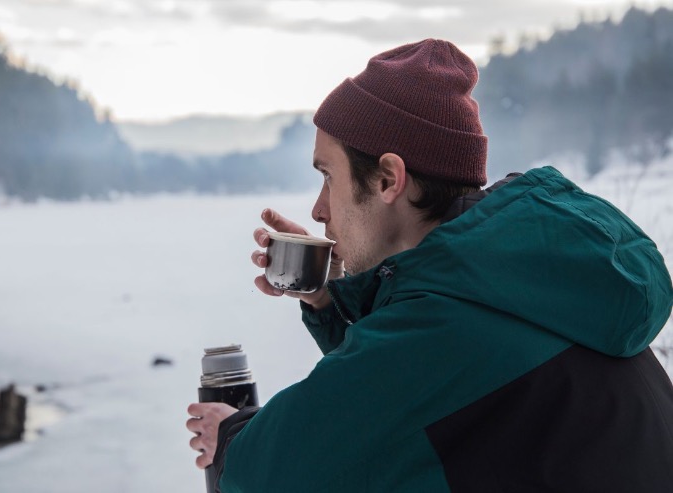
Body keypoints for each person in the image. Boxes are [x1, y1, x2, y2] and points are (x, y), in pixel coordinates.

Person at [186, 39, 673, 492]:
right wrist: (329, 299)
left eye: (328, 177)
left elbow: (265, 476)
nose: (318, 209)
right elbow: (419, 396)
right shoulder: (539, 281)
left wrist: (229, 437)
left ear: (388, 179)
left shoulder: (442, 329)